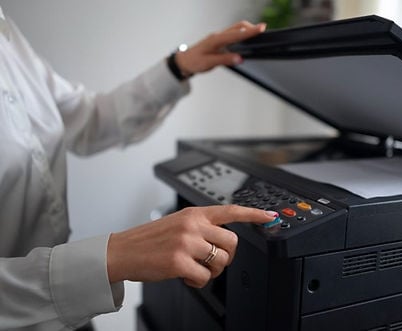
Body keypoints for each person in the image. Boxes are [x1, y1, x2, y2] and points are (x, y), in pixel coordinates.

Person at [0, 6, 277, 331]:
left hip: (69, 315)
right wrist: (111, 257)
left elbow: (87, 119)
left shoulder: (6, 31)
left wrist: (178, 66)